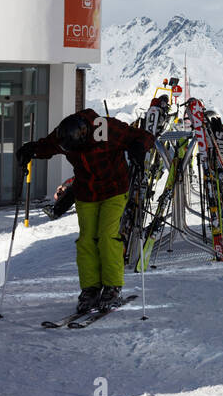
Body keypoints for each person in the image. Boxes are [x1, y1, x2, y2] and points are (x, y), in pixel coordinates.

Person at [18, 109, 155, 312]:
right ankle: (90, 288)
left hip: (114, 190)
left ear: (85, 134)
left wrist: (138, 147)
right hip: (86, 193)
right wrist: (31, 150)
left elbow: (144, 136)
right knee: (86, 240)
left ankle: (112, 286)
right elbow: (47, 146)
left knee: (107, 237)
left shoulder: (107, 128)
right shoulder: (63, 134)